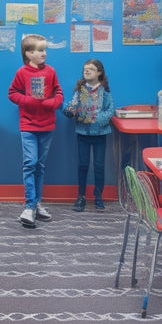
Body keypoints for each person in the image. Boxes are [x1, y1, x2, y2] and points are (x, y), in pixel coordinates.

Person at [8, 34, 63, 228]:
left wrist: (52, 103)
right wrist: (28, 100)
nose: (44, 53)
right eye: (40, 50)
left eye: (45, 49)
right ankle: (29, 207)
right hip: (28, 126)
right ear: (28, 53)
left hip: (47, 125)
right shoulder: (21, 73)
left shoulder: (51, 71)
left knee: (39, 166)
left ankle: (36, 203)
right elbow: (12, 93)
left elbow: (59, 93)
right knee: (30, 163)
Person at [63, 59, 114, 212]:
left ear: (99, 72)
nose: (87, 71)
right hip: (82, 133)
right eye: (85, 69)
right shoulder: (79, 90)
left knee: (99, 166)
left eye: (91, 69)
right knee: (83, 165)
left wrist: (98, 119)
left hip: (100, 134)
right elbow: (72, 107)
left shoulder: (104, 91)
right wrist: (69, 111)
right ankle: (81, 196)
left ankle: (98, 196)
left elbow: (110, 110)